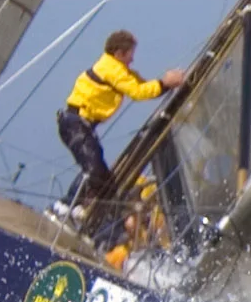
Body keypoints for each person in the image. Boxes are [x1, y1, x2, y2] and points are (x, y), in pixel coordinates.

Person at [58, 32, 184, 234]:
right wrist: (165, 83)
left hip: (82, 125)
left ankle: (78, 212)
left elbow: (142, 86)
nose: (132, 59)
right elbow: (137, 92)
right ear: (119, 53)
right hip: (74, 123)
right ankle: (65, 206)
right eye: (130, 54)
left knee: (104, 178)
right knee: (93, 168)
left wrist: (166, 84)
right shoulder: (111, 69)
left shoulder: (120, 70)